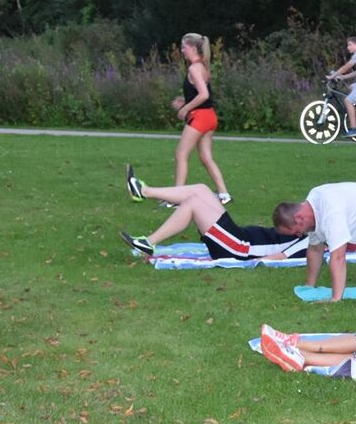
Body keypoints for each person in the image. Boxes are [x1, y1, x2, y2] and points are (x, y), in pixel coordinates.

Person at [119, 164, 307, 260]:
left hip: (238, 249)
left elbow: (279, 258)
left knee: (193, 203)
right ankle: (144, 191)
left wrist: (253, 262)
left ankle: (148, 244)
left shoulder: (310, 241)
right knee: (201, 189)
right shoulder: (307, 227)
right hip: (238, 236)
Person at [169, 33, 230, 203]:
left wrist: (185, 108)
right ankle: (224, 194)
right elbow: (202, 93)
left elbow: (203, 95)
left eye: (184, 47)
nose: (182, 50)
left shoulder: (194, 68)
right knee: (205, 157)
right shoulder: (202, 66)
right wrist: (185, 100)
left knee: (181, 154)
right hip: (209, 116)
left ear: (194, 48)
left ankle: (176, 198)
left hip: (201, 118)